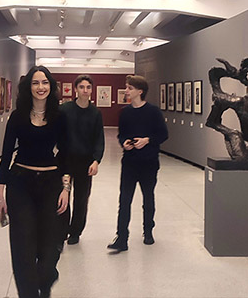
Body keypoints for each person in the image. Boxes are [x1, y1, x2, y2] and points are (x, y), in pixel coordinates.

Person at [0, 65, 70, 298]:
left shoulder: (59, 117)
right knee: (23, 250)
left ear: (51, 86)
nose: (41, 87)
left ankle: (46, 279)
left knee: (49, 250)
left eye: (45, 82)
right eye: (36, 83)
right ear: (29, 87)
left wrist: (66, 189)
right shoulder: (18, 117)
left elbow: (66, 155)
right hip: (21, 184)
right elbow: (6, 156)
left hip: (51, 185)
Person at [108, 75, 168, 252]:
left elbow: (163, 134)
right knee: (124, 200)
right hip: (130, 162)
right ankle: (121, 237)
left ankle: (148, 231)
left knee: (148, 198)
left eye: (130, 88)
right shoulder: (125, 113)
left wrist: (147, 140)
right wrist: (124, 143)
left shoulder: (153, 112)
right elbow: (121, 134)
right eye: (126, 87)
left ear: (140, 91)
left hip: (149, 162)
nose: (126, 91)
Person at [59, 75, 105, 245]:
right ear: (75, 89)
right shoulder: (64, 110)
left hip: (85, 162)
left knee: (81, 199)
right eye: (82, 87)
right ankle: (61, 232)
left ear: (91, 90)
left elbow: (99, 138)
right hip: (65, 160)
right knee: (62, 196)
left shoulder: (95, 113)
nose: (85, 90)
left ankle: (75, 232)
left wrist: (96, 160)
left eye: (88, 87)